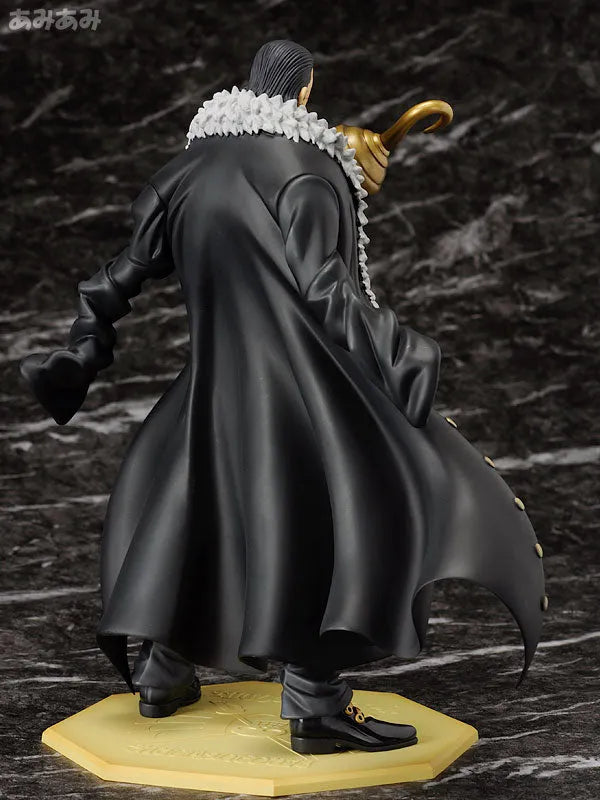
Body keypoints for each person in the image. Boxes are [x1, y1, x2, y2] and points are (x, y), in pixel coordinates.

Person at [19, 39, 546, 755]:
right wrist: (402, 348)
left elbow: (118, 277)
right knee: (325, 526)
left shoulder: (187, 170)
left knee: (194, 515)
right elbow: (327, 291)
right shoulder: (306, 170)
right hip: (300, 388)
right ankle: (315, 707)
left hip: (210, 390)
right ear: (303, 93)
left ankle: (163, 672)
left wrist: (80, 351)